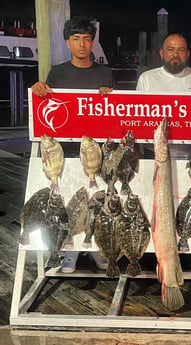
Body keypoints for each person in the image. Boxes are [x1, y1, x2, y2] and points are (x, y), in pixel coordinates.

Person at [31, 16, 115, 273]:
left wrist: (109, 94)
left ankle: (99, 251)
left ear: (92, 43)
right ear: (68, 43)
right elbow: (46, 104)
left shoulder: (105, 73)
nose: (82, 44)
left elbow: (116, 111)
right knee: (70, 204)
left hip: (96, 153)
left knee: (98, 202)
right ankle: (70, 252)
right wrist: (38, 87)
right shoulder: (57, 72)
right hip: (66, 152)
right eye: (76, 39)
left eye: (87, 39)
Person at [136, 33, 191, 270]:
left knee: (182, 205)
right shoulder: (147, 78)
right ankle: (150, 250)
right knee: (151, 203)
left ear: (187, 54)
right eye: (170, 49)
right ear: (161, 53)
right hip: (154, 154)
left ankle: (182, 250)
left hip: (187, 155)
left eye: (181, 50)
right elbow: (136, 115)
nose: (175, 54)